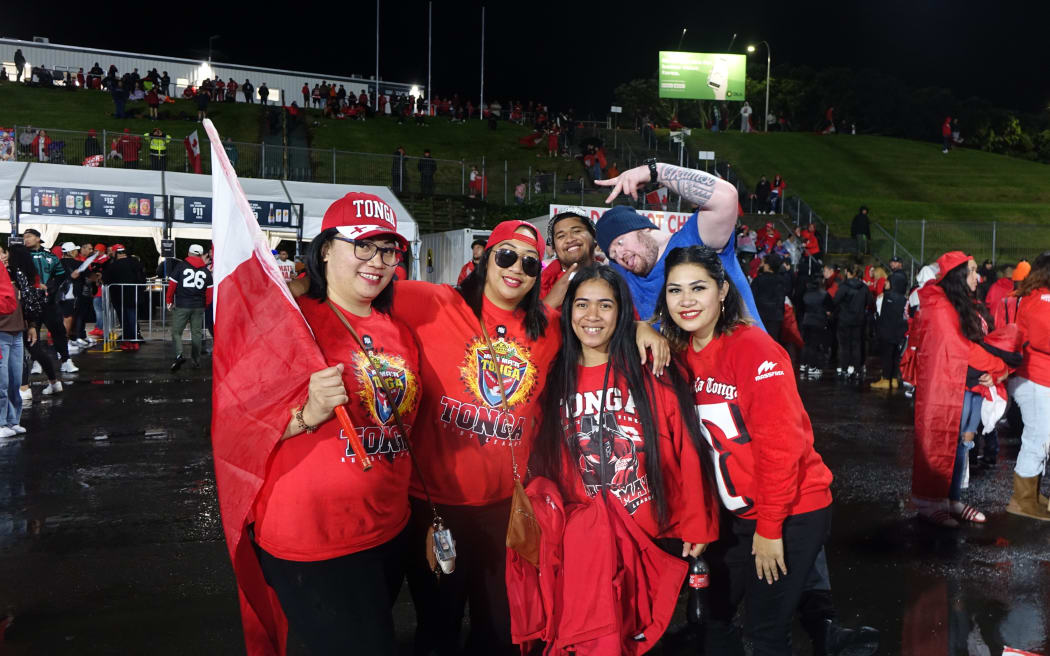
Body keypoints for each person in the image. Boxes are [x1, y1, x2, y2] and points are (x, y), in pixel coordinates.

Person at [385, 219, 669, 655]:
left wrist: (639, 327)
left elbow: (593, 325)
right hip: (435, 507)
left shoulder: (546, 326)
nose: (517, 268)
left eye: (531, 263)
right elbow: (355, 294)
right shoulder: (434, 302)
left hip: (505, 507)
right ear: (485, 259)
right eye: (506, 255)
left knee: (502, 628)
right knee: (437, 626)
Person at [656, 245, 852, 656]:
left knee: (765, 632)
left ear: (722, 290)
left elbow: (782, 448)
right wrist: (643, 328)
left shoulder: (753, 349)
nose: (686, 300)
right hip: (736, 514)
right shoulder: (679, 352)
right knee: (712, 617)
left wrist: (769, 527)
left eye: (698, 288)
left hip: (790, 510)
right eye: (675, 291)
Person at [251, 194, 421, 654]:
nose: (377, 261)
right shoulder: (290, 322)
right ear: (325, 249)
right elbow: (239, 424)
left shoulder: (399, 330)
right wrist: (305, 415)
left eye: (388, 250)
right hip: (314, 537)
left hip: (386, 530)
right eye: (363, 246)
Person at [594, 161, 764, 327]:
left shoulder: (694, 241)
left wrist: (655, 171)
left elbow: (726, 197)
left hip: (746, 352)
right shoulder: (624, 270)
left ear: (644, 227)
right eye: (614, 253)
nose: (620, 254)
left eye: (621, 242)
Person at [910, 252, 1003, 527]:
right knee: (942, 442)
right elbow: (963, 348)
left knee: (962, 443)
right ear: (958, 276)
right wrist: (999, 367)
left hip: (967, 382)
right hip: (948, 385)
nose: (979, 276)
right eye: (973, 271)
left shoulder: (959, 303)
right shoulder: (941, 305)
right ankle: (931, 501)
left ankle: (950, 499)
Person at [1005, 252, 1050, 521]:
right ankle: (1022, 500)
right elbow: (1044, 339)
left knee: (1040, 437)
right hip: (1036, 377)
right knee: (1039, 438)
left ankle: (1030, 495)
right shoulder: (1042, 300)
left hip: (1034, 375)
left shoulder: (1034, 297)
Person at [23, 229, 77, 372]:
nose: (26, 239)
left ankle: (66, 360)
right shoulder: (22, 256)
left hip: (49, 302)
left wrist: (51, 288)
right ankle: (37, 362)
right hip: (30, 302)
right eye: (24, 237)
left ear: (38, 238)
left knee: (58, 331)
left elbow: (60, 274)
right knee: (33, 332)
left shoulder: (50, 255)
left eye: (29, 236)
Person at [166, 244, 213, 371]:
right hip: (198, 306)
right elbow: (210, 292)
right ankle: (196, 361)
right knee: (196, 334)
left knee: (176, 332)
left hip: (182, 305)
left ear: (189, 253)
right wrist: (206, 305)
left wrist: (169, 300)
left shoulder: (181, 266)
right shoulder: (206, 271)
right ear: (201, 254)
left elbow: (172, 285)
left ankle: (179, 355)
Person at [540, 207, 598, 308]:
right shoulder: (538, 287)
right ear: (554, 248)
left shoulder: (616, 279)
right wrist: (549, 304)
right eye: (561, 236)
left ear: (593, 236)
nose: (570, 239)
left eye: (577, 231)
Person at [0, 245, 26, 437]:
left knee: (15, 380)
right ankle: (1, 423)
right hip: (2, 333)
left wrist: (31, 325)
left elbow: (29, 302)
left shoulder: (15, 274)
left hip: (17, 333)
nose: (2, 255)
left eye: (3, 252)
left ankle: (12, 421)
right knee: (2, 382)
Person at [102, 244, 146, 350]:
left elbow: (106, 280)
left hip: (119, 297)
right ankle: (134, 340)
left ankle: (127, 341)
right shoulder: (136, 262)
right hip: (133, 296)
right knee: (132, 318)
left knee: (124, 320)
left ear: (116, 254)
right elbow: (143, 279)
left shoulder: (113, 266)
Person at [870, 272, 909, 390]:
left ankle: (885, 379)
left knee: (886, 356)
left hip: (887, 331)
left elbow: (881, 313)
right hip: (899, 332)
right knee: (895, 356)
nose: (885, 283)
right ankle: (894, 379)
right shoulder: (904, 299)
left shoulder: (887, 297)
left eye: (888, 281)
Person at [833, 263, 871, 380]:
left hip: (845, 319)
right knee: (856, 345)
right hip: (859, 319)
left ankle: (845, 367)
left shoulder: (844, 287)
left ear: (848, 272)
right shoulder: (864, 287)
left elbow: (835, 301)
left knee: (844, 345)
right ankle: (856, 368)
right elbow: (869, 301)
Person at [800, 275, 833, 377]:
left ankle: (804, 363)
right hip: (818, 321)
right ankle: (813, 366)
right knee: (815, 345)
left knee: (807, 344)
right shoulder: (824, 294)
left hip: (807, 320)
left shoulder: (805, 294)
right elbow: (830, 308)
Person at [751, 254, 788, 341]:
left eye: (763, 262)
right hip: (775, 317)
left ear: (768, 265)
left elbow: (751, 298)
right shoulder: (782, 281)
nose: (761, 265)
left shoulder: (758, 280)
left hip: (760, 316)